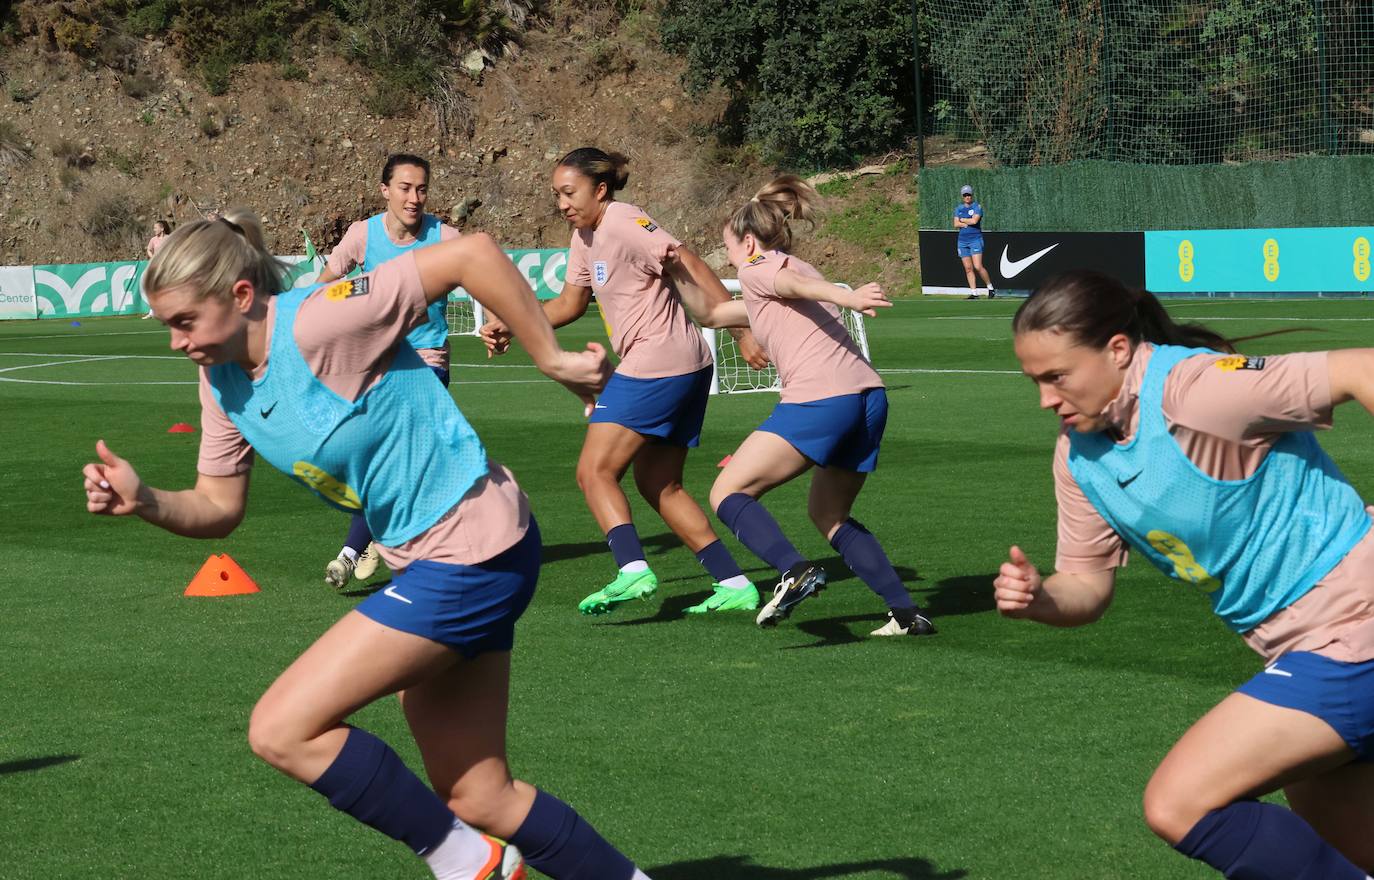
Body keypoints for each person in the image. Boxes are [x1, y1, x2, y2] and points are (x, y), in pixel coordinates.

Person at [84, 210, 658, 880]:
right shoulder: (221, 380)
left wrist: (551, 359)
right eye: (167, 326)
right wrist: (146, 501)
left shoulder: (320, 319)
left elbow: (471, 253)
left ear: (240, 296)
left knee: (281, 728)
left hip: (472, 551)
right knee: (479, 796)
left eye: (185, 321)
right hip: (441, 560)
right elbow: (217, 506)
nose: (176, 341)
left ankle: (467, 863)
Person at [997, 269, 1374, 879]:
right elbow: (1086, 587)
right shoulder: (1079, 456)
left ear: (1118, 349)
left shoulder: (1195, 389)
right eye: (1034, 381)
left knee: (1180, 803)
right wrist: (1040, 597)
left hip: (1355, 625)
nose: (1045, 398)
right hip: (1299, 647)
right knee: (1354, 852)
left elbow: (1361, 368)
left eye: (1057, 376)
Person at [480, 147, 761, 616]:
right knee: (659, 484)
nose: (562, 204)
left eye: (569, 193)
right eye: (557, 195)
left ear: (600, 190)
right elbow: (569, 305)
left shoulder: (625, 220)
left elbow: (687, 263)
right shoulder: (584, 236)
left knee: (594, 471)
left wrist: (741, 331)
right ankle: (734, 584)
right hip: (683, 364)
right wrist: (513, 322)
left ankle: (632, 569)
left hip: (659, 360)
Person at [706, 176, 936, 635]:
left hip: (823, 399)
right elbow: (712, 313)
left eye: (728, 247)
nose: (729, 258)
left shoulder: (757, 268)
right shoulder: (796, 267)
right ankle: (906, 614)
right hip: (869, 399)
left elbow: (788, 284)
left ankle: (794, 571)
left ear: (748, 242)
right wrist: (674, 268)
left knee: (727, 493)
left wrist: (848, 297)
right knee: (829, 514)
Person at [315, 153, 462, 590]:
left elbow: (484, 276)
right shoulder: (362, 235)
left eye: (421, 189)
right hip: (374, 365)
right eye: (405, 188)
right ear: (385, 191)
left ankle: (350, 552)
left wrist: (495, 319)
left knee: (393, 456)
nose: (414, 198)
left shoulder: (444, 236)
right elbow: (324, 288)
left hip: (427, 363)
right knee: (377, 463)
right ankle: (382, 536)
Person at [953, 184, 994, 300]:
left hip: (975, 239)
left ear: (972, 195)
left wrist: (963, 220)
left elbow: (975, 221)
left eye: (969, 195)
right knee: (968, 268)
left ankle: (990, 288)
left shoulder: (977, 207)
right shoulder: (958, 208)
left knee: (978, 266)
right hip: (962, 241)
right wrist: (965, 222)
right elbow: (955, 224)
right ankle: (974, 293)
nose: (967, 197)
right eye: (965, 195)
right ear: (962, 196)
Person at [143, 220, 173, 318]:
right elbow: (149, 249)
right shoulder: (153, 240)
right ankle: (152, 312)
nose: (154, 230)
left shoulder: (169, 238)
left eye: (156, 228)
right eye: (154, 228)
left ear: (162, 228)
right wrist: (153, 257)